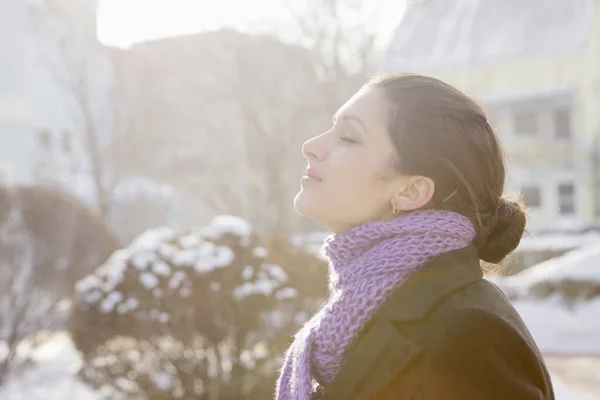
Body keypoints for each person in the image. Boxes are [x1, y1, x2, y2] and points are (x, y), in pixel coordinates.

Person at [275, 73, 554, 399]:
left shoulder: (470, 335)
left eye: (348, 137)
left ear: (411, 191)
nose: (311, 146)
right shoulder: (358, 313)